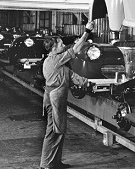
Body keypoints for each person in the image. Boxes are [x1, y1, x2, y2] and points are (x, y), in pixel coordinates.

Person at [39, 21, 94, 169]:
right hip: (54, 99)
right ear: (54, 47)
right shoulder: (54, 60)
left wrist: (87, 82)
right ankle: (45, 165)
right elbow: (75, 49)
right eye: (61, 44)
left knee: (59, 130)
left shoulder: (59, 64)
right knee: (52, 132)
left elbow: (71, 75)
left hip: (58, 98)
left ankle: (55, 162)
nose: (63, 46)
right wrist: (87, 31)